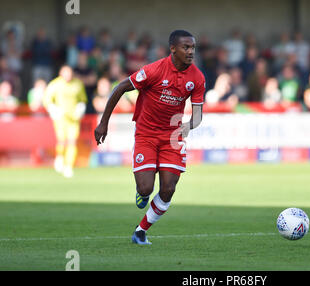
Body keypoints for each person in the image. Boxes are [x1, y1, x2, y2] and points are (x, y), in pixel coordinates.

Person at [94, 30, 205, 245]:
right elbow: (121, 88)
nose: (190, 52)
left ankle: (141, 231)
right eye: (186, 47)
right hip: (146, 134)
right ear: (173, 48)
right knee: (145, 188)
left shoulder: (197, 78)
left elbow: (198, 114)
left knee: (168, 189)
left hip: (172, 137)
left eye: (193, 47)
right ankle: (142, 193)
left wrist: (188, 126)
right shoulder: (154, 70)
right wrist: (103, 122)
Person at [43, 65, 87, 178]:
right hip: (60, 118)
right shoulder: (55, 84)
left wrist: (80, 108)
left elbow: (83, 99)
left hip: (73, 118)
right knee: (62, 141)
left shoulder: (78, 84)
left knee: (72, 142)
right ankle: (60, 156)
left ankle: (69, 166)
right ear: (61, 73)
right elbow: (47, 99)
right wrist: (53, 109)